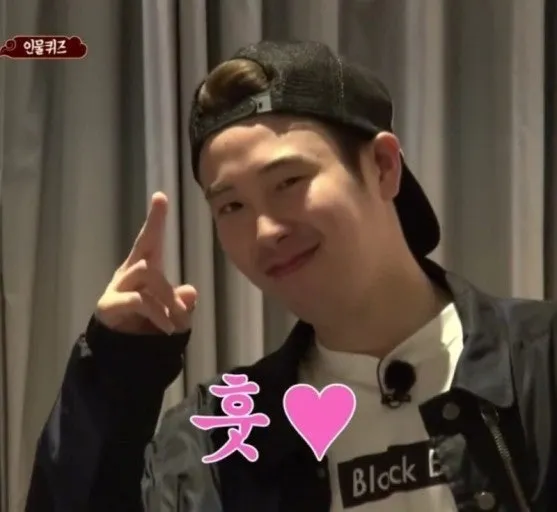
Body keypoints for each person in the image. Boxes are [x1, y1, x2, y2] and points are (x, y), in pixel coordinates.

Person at [25, 40, 557, 512]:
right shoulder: (221, 440)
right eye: (231, 206)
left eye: (288, 182)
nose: (265, 232)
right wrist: (116, 376)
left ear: (382, 166)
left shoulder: (538, 365)